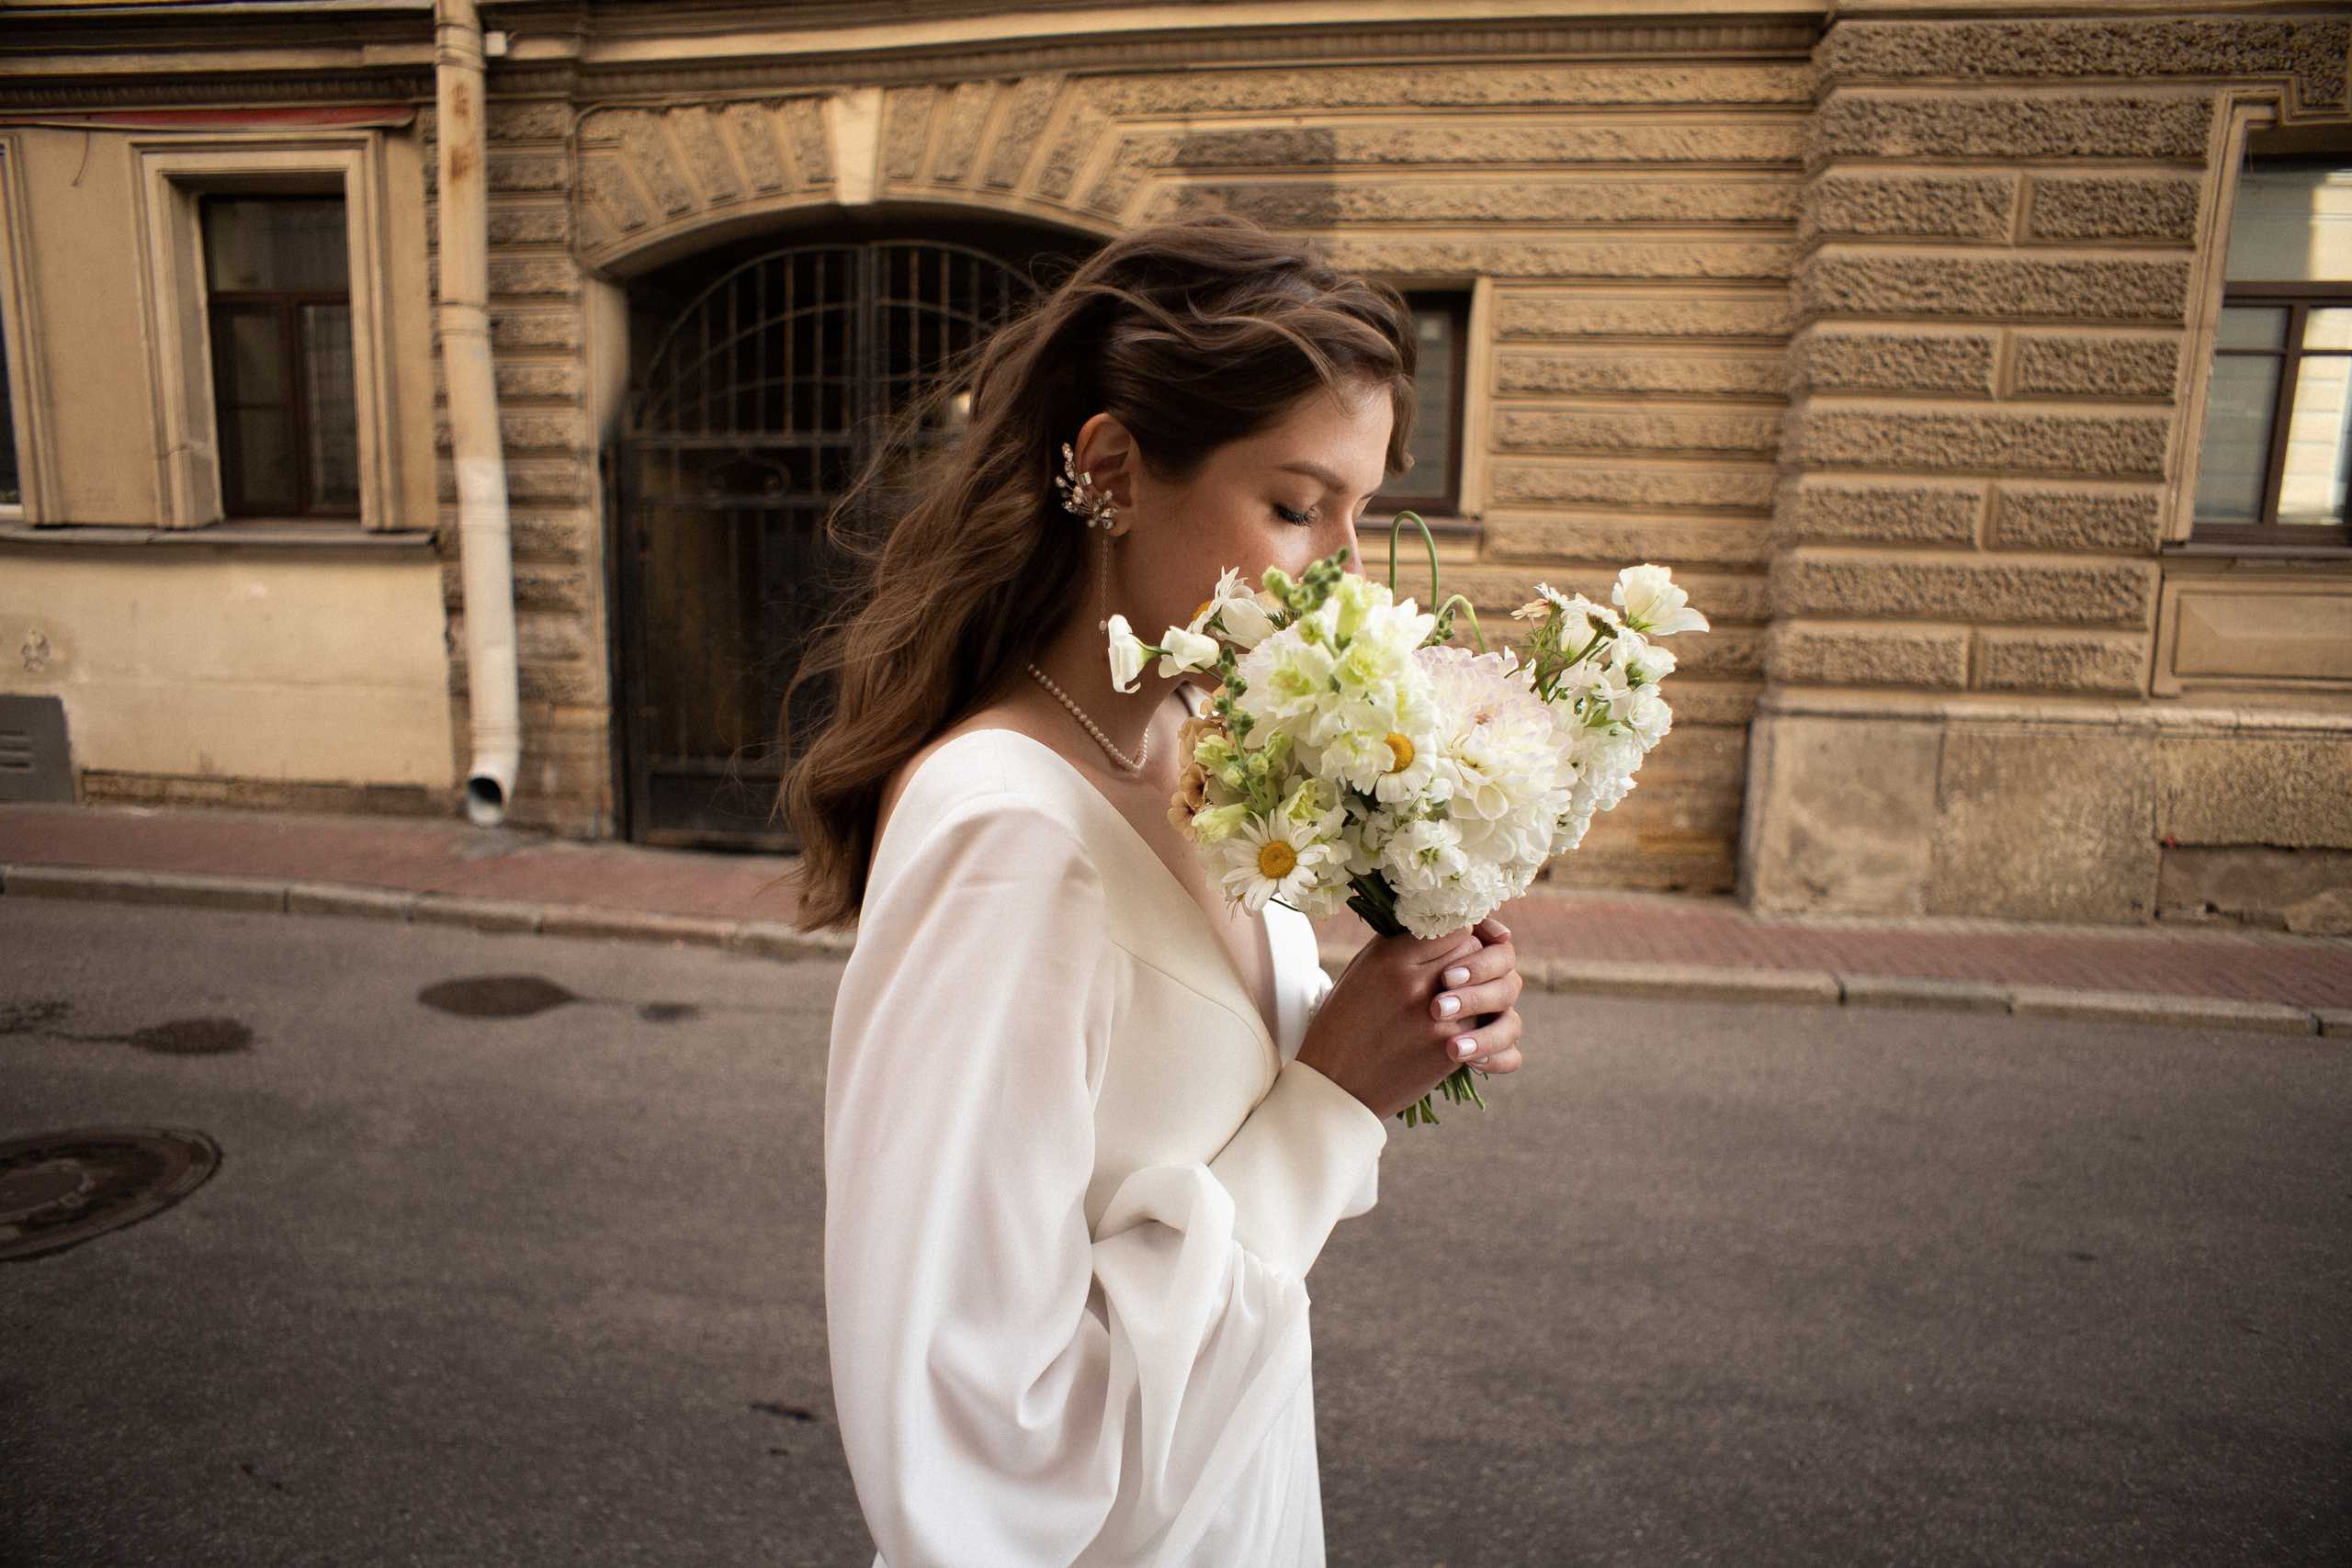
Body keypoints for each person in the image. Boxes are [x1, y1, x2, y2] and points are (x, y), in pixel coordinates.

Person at [785, 216, 1526, 1567]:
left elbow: (1195, 1120)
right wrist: (1333, 1103)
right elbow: (973, 1447)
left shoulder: (1205, 747)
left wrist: (1414, 1001)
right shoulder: (1008, 843)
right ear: (1113, 470)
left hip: (1235, 1497)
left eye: (1360, 514)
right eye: (1298, 509)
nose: (1345, 571)